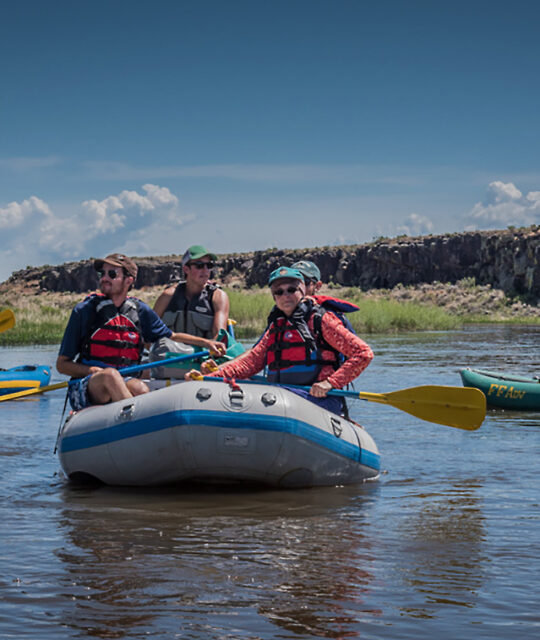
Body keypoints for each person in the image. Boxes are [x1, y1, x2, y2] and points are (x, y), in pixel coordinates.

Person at [186, 266, 373, 415]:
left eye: (291, 290)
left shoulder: (321, 320)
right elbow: (250, 363)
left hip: (319, 400)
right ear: (274, 297)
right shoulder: (276, 326)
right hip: (281, 397)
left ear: (302, 291)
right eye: (279, 291)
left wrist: (330, 383)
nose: (285, 296)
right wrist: (209, 378)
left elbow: (363, 353)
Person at [57, 253, 226, 411]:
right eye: (103, 274)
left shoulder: (139, 310)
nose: (105, 278)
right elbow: (62, 365)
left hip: (125, 379)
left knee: (141, 388)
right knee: (110, 376)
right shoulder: (85, 310)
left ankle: (142, 426)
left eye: (112, 274)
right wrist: (91, 370)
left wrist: (207, 343)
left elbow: (171, 336)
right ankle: (133, 419)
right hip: (89, 385)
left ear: (128, 280)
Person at [153, 245, 229, 339]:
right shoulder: (167, 296)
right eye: (199, 265)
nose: (205, 270)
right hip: (170, 352)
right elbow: (150, 333)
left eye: (209, 265)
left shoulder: (218, 297)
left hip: (205, 353)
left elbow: (219, 338)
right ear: (186, 269)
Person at [292, 259, 359, 333]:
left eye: (305, 282)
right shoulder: (279, 316)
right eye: (291, 282)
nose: (298, 287)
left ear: (317, 286)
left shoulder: (328, 317)